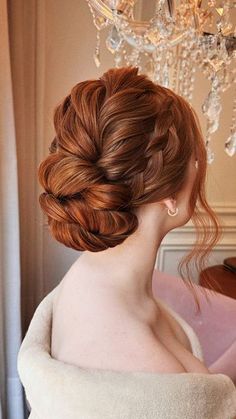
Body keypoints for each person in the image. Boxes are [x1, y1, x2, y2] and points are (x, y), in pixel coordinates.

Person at [17, 66, 236, 418]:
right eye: (197, 158)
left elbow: (204, 389)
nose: (199, 168)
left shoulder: (92, 276)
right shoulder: (156, 379)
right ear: (168, 196)